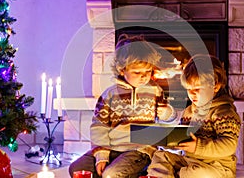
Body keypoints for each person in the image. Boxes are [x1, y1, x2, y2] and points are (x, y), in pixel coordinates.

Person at [69, 34, 177, 178]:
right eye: (137, 72)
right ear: (122, 70)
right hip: (111, 148)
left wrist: (167, 114)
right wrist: (102, 155)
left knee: (111, 174)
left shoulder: (156, 91)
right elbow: (99, 127)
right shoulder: (110, 95)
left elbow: (167, 124)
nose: (143, 76)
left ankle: (139, 170)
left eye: (148, 72)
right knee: (77, 168)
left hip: (140, 150)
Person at [147, 54, 241, 178]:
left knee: (196, 173)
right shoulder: (189, 111)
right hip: (190, 160)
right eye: (188, 89)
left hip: (217, 167)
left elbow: (229, 145)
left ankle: (179, 175)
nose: (192, 94)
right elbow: (182, 136)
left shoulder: (223, 113)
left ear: (215, 86)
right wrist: (169, 140)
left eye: (197, 89)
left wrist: (198, 147)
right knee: (161, 156)